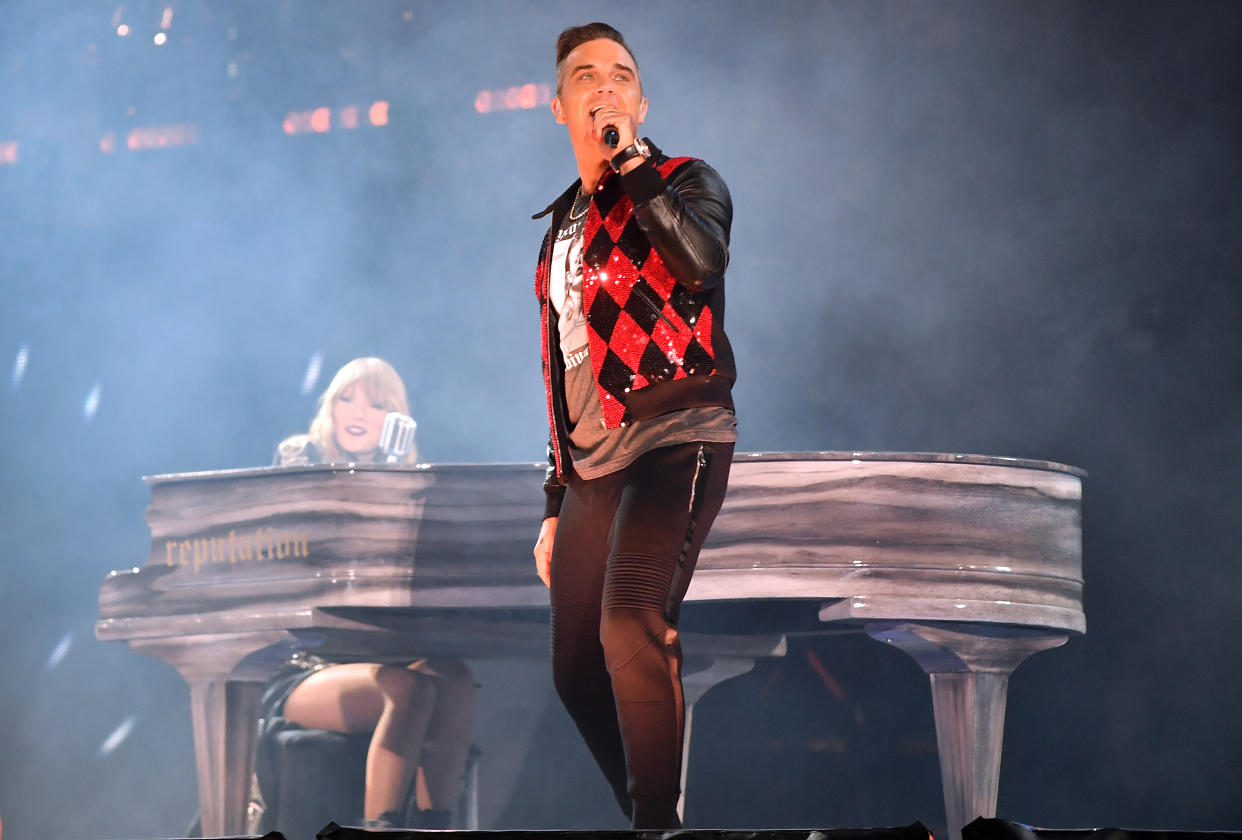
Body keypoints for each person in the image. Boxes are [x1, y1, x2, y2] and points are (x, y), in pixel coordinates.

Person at [530, 23, 738, 830]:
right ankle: (650, 815)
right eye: (586, 77)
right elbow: (561, 374)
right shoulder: (557, 237)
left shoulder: (685, 180)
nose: (605, 88)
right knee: (576, 670)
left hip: (675, 435)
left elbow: (701, 263)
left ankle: (657, 826)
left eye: (621, 76)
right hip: (592, 467)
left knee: (630, 621)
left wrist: (638, 167)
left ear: (641, 102)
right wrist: (555, 499)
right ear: (559, 108)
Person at [265, 357, 475, 829]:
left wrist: (399, 476)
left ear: (397, 421)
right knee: (408, 688)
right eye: (347, 398)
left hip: (379, 653)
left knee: (455, 678)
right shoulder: (301, 460)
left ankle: (433, 826)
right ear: (330, 408)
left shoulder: (406, 480)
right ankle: (376, 830)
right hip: (304, 664)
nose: (359, 413)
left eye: (377, 405)